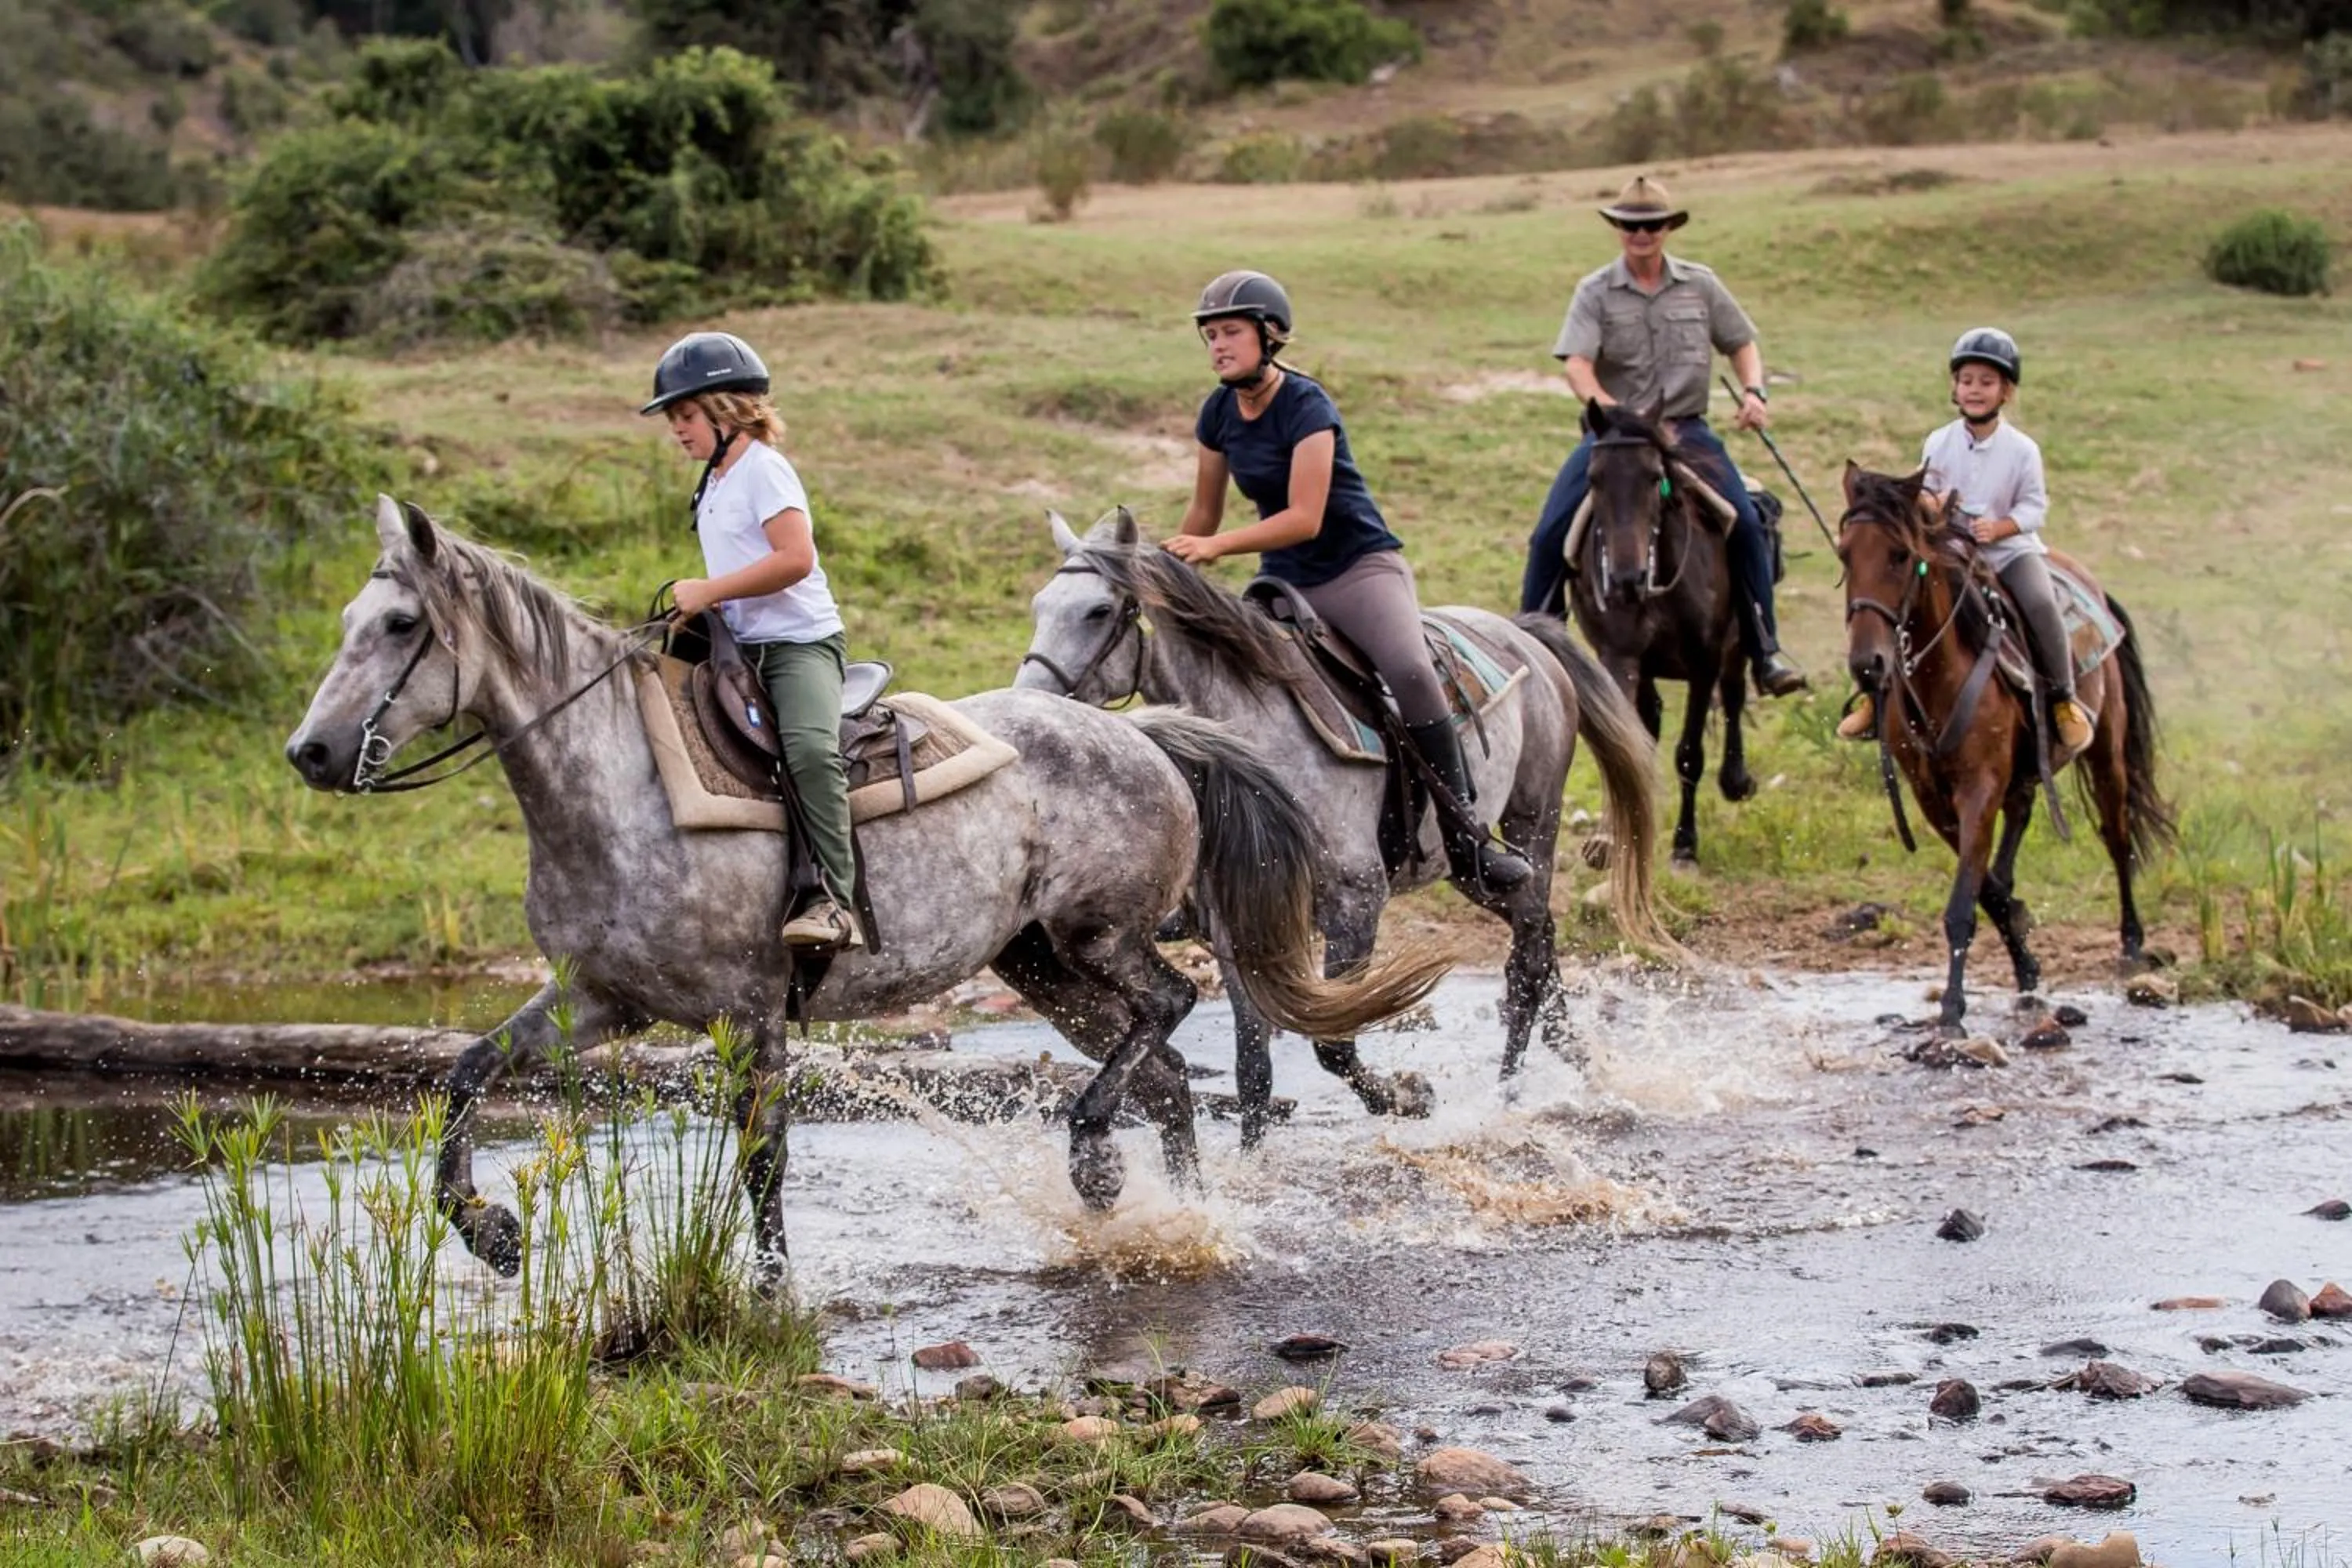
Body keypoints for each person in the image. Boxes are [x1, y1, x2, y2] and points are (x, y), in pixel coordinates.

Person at [1168, 270, 1533, 891]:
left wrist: (1217, 546)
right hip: (1284, 579)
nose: (1218, 347)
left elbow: (1305, 518)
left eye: (1230, 332)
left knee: (1412, 673)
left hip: (1358, 568)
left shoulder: (1308, 405)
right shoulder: (1218, 412)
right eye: (1209, 336)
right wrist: (1163, 569)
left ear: (1271, 335)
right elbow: (1203, 515)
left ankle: (1467, 838)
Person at [1518, 175, 1806, 698]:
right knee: (1549, 535)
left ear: (1668, 228)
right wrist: (1607, 409)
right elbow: (1577, 365)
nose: (1641, 234)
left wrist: (1754, 392)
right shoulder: (1595, 290)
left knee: (1742, 523)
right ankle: (1531, 648)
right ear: (1618, 230)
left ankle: (1764, 650)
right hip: (1618, 436)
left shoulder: (1701, 284)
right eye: (1631, 225)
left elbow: (1741, 343)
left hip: (1686, 429)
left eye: (1651, 225)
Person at [642, 330, 862, 948]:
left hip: (798, 645)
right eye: (674, 419)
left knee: (811, 752)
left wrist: (710, 591)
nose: (677, 430)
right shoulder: (713, 480)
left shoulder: (765, 471)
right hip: (739, 646)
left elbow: (795, 559)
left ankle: (834, 902)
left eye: (685, 415)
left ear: (726, 410)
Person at [1838, 327, 2094, 757]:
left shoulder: (2022, 450)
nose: (1975, 390)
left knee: (2040, 601)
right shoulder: (1939, 441)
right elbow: (1932, 490)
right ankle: (1875, 696)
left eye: (1987, 382)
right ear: (1954, 387)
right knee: (1904, 599)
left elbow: (2035, 507)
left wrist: (2002, 527)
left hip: (2009, 552)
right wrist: (1931, 506)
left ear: (2006, 392)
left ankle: (2063, 699)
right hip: (1953, 550)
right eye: (1967, 380)